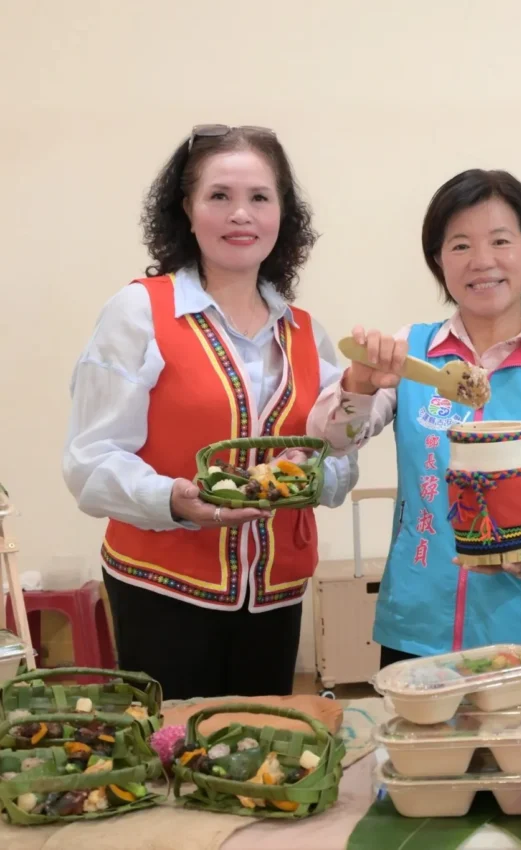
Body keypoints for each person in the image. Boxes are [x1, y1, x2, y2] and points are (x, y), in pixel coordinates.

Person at [63, 125, 357, 700]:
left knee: (256, 755)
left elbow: (338, 465)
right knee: (174, 758)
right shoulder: (140, 312)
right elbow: (89, 463)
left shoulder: (305, 333)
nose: (240, 215)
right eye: (219, 196)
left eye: (259, 198)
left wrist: (314, 470)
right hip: (162, 589)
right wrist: (172, 500)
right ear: (187, 210)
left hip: (277, 592)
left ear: (282, 214)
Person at [308, 169, 521, 676]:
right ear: (438, 260)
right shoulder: (412, 351)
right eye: (460, 245)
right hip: (419, 625)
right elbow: (331, 444)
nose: (482, 261)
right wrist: (359, 383)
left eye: (500, 241)